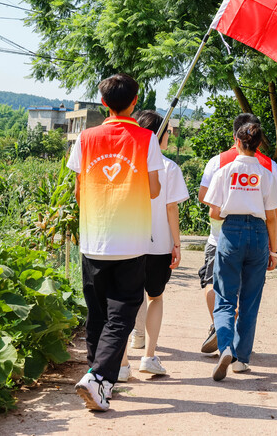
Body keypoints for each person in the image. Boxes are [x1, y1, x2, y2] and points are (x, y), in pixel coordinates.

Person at [68, 74, 163, 412]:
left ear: (103, 103)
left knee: (97, 314)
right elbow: (153, 190)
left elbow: (79, 190)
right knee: (121, 312)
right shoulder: (147, 139)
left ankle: (98, 380)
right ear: (135, 102)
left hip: (94, 238)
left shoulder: (85, 138)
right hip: (130, 242)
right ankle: (97, 380)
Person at [202, 121, 277, 381]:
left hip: (230, 232)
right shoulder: (266, 174)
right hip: (259, 234)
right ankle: (240, 359)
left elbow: (214, 211)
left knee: (225, 297)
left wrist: (229, 211)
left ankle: (225, 346)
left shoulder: (224, 171)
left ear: (237, 142)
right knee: (250, 301)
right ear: (259, 145)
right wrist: (274, 251)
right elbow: (272, 216)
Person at [117, 110, 190, 380]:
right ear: (158, 135)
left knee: (125, 302)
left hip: (127, 243)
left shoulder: (126, 162)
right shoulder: (169, 167)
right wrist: (177, 244)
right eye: (167, 131)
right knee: (155, 297)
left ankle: (122, 364)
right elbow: (171, 208)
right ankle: (149, 356)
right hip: (158, 245)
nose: (170, 135)